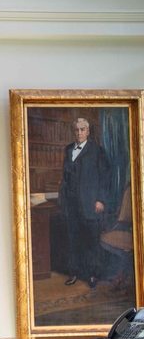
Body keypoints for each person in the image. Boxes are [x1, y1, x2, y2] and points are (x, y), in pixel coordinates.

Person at [58, 117, 111, 289]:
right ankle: (75, 272)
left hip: (90, 204)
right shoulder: (68, 150)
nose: (79, 133)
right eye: (76, 130)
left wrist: (100, 200)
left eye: (82, 129)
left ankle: (93, 275)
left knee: (91, 241)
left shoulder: (97, 151)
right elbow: (65, 178)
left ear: (88, 131)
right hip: (71, 204)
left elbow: (105, 177)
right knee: (73, 239)